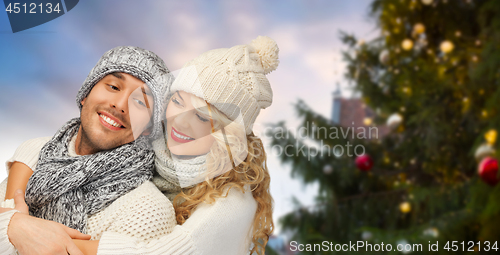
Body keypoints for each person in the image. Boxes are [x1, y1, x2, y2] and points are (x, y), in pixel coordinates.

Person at [1, 36, 279, 255]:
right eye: (179, 102)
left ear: (226, 134)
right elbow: (41, 147)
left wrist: (39, 236)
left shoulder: (231, 203)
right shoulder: (154, 150)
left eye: (202, 117)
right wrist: (16, 217)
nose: (181, 123)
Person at [0, 46, 176, 254]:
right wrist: (13, 226)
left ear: (148, 129)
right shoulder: (36, 153)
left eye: (139, 102)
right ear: (85, 94)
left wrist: (14, 225)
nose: (120, 105)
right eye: (113, 86)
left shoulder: (148, 211)